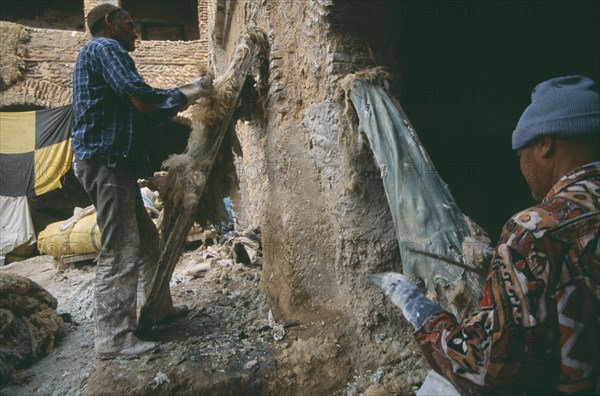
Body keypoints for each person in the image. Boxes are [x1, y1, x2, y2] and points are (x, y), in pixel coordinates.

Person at [371, 75, 600, 394]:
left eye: (520, 152)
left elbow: (482, 369)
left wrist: (426, 317)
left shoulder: (534, 230)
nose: (521, 165)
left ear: (544, 143)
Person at [71, 4, 212, 359]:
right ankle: (114, 339)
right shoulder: (105, 48)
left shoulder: (99, 54)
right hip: (106, 163)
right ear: (110, 23)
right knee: (121, 247)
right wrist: (191, 92)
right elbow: (141, 98)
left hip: (113, 163)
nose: (137, 32)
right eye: (131, 25)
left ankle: (158, 309)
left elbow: (134, 113)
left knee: (147, 242)